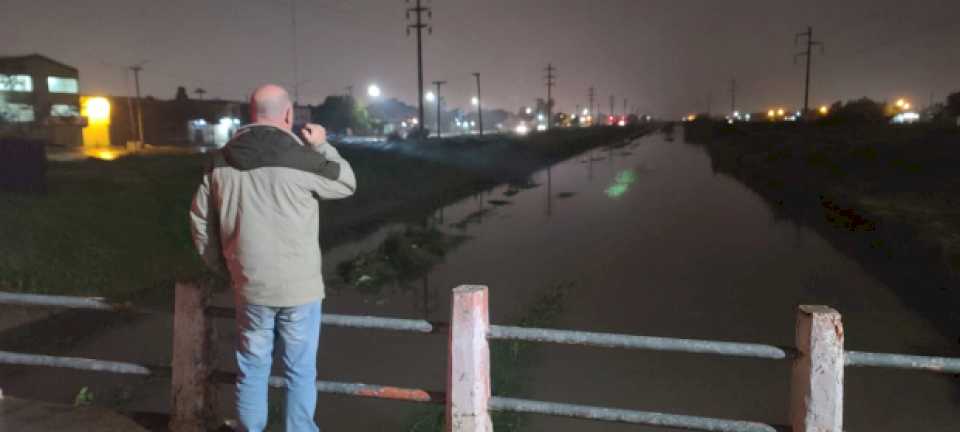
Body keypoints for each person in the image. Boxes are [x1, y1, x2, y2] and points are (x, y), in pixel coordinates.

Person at [190, 84, 356, 431]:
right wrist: (322, 145)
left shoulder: (219, 160)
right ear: (288, 115)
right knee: (300, 370)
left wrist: (226, 268)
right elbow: (346, 183)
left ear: (252, 114)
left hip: (250, 285)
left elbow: (201, 224)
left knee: (252, 366)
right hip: (300, 289)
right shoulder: (303, 159)